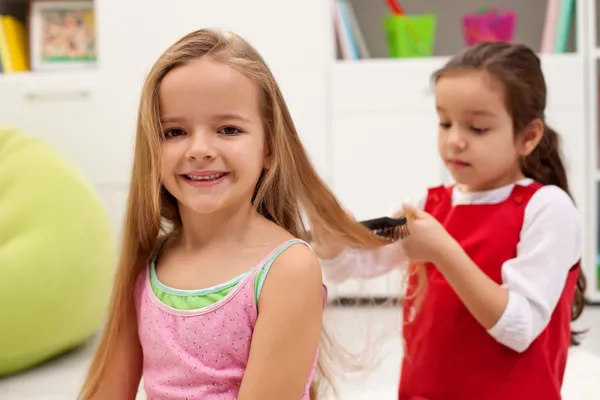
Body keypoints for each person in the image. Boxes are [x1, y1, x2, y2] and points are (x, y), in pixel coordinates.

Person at [78, 28, 388, 400]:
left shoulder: (286, 268)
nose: (200, 149)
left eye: (228, 129)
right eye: (174, 131)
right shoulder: (147, 260)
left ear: (270, 147)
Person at [316, 42, 587, 400]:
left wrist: (443, 251)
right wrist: (334, 242)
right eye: (445, 123)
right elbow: (351, 268)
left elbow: (520, 327)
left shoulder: (548, 209)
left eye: (477, 128)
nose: (454, 141)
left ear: (529, 136)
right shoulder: (426, 204)